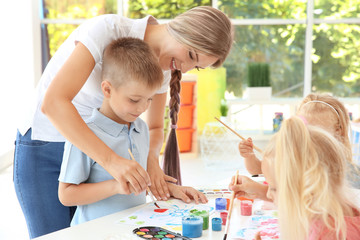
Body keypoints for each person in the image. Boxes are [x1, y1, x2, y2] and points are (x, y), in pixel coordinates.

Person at [13, 6, 233, 238]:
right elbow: (54, 103)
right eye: (190, 56)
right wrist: (112, 162)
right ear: (183, 30)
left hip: (100, 155)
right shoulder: (107, 30)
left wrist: (151, 164)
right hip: (47, 145)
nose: (185, 69)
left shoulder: (167, 67)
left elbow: (156, 127)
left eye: (196, 66)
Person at [58, 38, 207, 226]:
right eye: (134, 100)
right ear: (107, 89)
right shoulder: (84, 135)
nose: (142, 108)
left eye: (149, 100)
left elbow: (141, 184)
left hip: (130, 229)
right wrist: (115, 186)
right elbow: (66, 195)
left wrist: (171, 190)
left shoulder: (140, 129)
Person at [234, 93, 360, 200]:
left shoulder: (341, 170)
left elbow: (305, 203)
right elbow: (262, 170)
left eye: (318, 132)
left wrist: (258, 190)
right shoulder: (296, 154)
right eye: (304, 129)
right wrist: (250, 157)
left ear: (337, 131)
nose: (308, 137)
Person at [256, 116, 360, 240]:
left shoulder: (329, 234)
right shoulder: (334, 217)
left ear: (308, 189)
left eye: (273, 188)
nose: (268, 195)